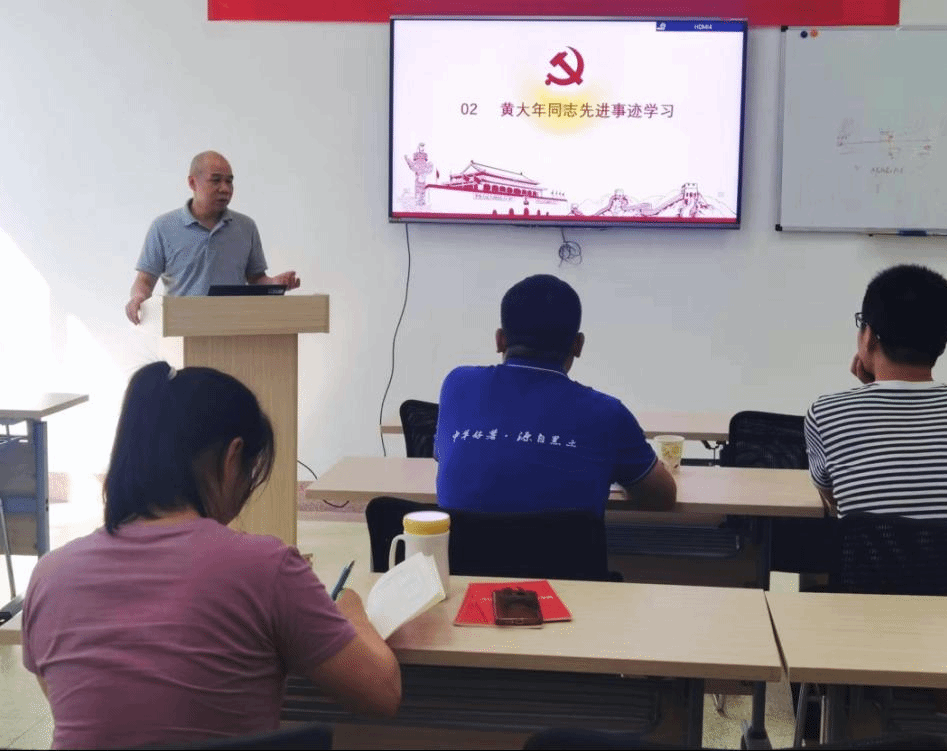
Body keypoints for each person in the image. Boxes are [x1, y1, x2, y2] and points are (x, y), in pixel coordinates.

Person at [21, 362, 400, 748]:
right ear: (233, 458)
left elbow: (82, 709)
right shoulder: (265, 566)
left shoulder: (50, 575)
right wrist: (350, 607)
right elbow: (382, 693)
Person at [435, 274, 676, 516]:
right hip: (568, 543)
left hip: (461, 543)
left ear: (499, 340)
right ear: (578, 345)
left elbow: (447, 457)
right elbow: (662, 497)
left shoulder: (458, 385)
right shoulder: (608, 414)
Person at [805, 263, 947, 521]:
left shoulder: (827, 415)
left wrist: (873, 393)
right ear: (942, 343)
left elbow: (836, 497)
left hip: (875, 550)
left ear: (869, 336)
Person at [125, 151, 301, 324]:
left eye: (229, 181)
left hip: (234, 328)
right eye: (216, 180)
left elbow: (256, 279)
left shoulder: (246, 227)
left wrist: (273, 283)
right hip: (181, 328)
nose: (225, 188)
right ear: (192, 183)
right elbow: (145, 281)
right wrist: (138, 298)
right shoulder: (163, 227)